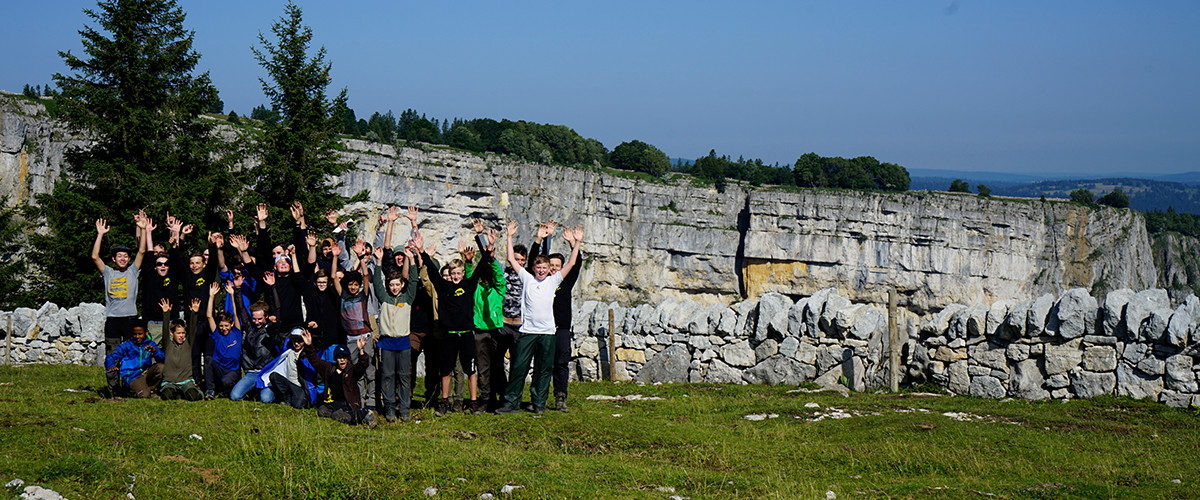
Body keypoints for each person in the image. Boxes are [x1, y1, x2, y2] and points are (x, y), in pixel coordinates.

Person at [496, 221, 582, 414]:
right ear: (533, 268)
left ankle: (539, 404)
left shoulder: (554, 281)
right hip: (527, 331)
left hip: (548, 333)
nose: (542, 270)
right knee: (518, 367)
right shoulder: (526, 278)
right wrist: (509, 236)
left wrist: (577, 243)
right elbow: (511, 258)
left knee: (543, 371)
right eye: (539, 267)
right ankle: (511, 403)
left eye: (545, 268)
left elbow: (572, 263)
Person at [417, 227, 491, 416]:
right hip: (448, 335)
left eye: (459, 273)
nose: (456, 277)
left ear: (463, 273)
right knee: (446, 370)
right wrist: (422, 251)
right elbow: (432, 272)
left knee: (470, 370)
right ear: (450, 273)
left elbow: (483, 264)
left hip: (466, 334)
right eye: (453, 273)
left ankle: (473, 402)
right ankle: (444, 402)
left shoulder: (469, 284)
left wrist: (486, 244)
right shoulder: (443, 287)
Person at [535, 225, 585, 412]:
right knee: (543, 364)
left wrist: (574, 243)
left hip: (562, 328)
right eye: (552, 266)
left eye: (558, 266)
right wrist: (543, 237)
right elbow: (535, 259)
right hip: (544, 329)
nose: (554, 269)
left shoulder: (566, 281)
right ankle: (540, 398)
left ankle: (560, 397)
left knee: (561, 364)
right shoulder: (542, 283)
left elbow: (577, 262)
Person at [372, 240, 420, 422]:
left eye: (397, 284)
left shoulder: (407, 298)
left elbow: (414, 281)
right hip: (387, 342)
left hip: (403, 342)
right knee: (387, 375)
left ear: (401, 285)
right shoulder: (384, 297)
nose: (394, 287)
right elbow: (377, 282)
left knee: (404, 377)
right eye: (391, 285)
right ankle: (390, 408)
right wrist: (378, 261)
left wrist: (412, 260)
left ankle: (405, 409)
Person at [92, 215, 146, 364]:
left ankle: (130, 384)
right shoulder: (108, 272)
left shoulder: (133, 271)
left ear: (129, 259)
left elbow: (141, 252)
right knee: (113, 355)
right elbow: (95, 256)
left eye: (126, 256)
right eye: (119, 256)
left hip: (130, 319)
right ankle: (114, 386)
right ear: (114, 259)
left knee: (132, 354)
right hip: (113, 319)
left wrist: (142, 228)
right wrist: (100, 234)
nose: (123, 258)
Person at [468, 219, 507, 411]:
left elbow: (497, 272)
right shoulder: (475, 288)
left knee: (497, 367)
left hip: (496, 331)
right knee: (483, 368)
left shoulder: (498, 288)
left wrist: (489, 247)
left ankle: (501, 397)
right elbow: (470, 276)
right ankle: (486, 399)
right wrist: (470, 261)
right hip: (480, 332)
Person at [301, 330, 377, 427]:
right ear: (335, 359)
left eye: (344, 357)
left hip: (347, 403)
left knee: (337, 415)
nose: (342, 359)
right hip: (332, 403)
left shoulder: (352, 371)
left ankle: (365, 414)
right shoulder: (329, 369)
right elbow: (315, 361)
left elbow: (363, 364)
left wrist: (361, 350)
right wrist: (309, 345)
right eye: (339, 357)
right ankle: (350, 416)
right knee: (322, 411)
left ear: (348, 358)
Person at [230, 300, 278, 403]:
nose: (257, 322)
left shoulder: (272, 330)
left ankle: (274, 393)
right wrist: (237, 289)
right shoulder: (249, 327)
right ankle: (253, 391)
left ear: (266, 316)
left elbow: (277, 307)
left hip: (267, 372)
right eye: (254, 319)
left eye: (260, 319)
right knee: (235, 396)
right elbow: (241, 309)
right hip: (252, 372)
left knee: (266, 399)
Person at [158, 298, 203, 401]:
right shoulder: (168, 344)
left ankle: (195, 392)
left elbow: (192, 328)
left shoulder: (188, 343)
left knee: (192, 396)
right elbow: (165, 329)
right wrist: (166, 313)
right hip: (170, 382)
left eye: (183, 333)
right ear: (172, 333)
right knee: (167, 396)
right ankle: (178, 394)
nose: (181, 336)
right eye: (178, 333)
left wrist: (194, 313)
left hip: (185, 381)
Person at [204, 281, 243, 399]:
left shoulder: (236, 332)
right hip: (219, 368)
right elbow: (209, 316)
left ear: (231, 324)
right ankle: (210, 390)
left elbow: (236, 313)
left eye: (226, 325)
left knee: (226, 382)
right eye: (221, 326)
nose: (224, 328)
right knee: (208, 360)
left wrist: (232, 295)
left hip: (232, 371)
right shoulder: (217, 333)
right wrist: (211, 296)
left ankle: (226, 389)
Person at [104, 322, 164, 398]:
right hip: (132, 377)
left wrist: (155, 352)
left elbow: (162, 359)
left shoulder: (151, 344)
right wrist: (111, 366)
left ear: (146, 333)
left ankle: (151, 389)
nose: (137, 336)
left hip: (146, 373)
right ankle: (129, 391)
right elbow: (111, 357)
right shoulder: (127, 345)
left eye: (140, 334)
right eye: (135, 334)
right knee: (144, 395)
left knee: (161, 367)